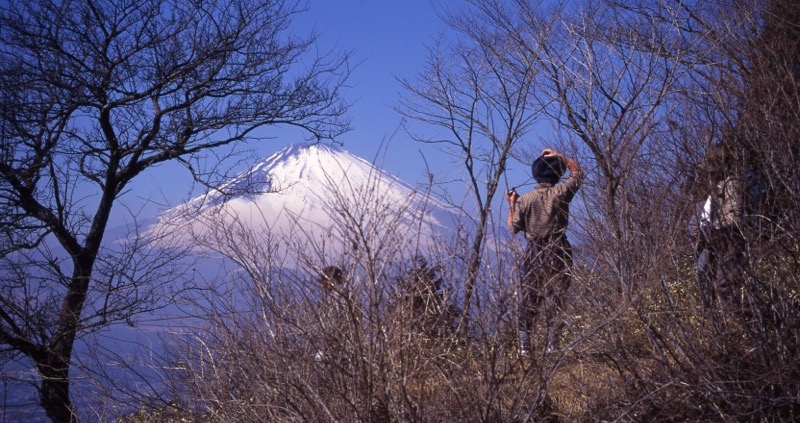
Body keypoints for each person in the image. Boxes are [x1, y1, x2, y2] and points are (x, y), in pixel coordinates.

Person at [506, 148, 584, 355]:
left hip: (534, 252)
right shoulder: (561, 193)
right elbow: (578, 173)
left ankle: (524, 347)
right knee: (557, 298)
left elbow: (513, 228)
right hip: (559, 249)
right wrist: (561, 156)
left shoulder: (526, 200)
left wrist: (512, 204)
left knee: (530, 299)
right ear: (557, 175)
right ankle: (553, 346)